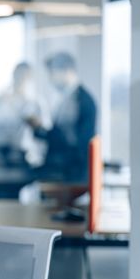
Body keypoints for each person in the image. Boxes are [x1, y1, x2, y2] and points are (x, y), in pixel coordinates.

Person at [26, 52, 97, 184]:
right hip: (63, 171)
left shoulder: (81, 100)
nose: (51, 78)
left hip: (71, 174)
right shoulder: (67, 99)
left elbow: (72, 142)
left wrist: (44, 131)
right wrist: (40, 129)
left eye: (53, 73)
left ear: (67, 71)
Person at [0, 62, 44, 198]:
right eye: (19, 76)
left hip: (19, 162)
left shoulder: (34, 103)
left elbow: (42, 135)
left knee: (14, 202)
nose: (21, 80)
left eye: (26, 77)